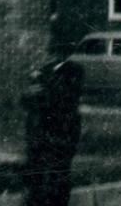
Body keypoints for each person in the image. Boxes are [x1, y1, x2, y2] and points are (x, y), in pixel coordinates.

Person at [20, 42, 85, 206]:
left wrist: (40, 91)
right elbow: (26, 100)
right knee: (36, 171)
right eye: (52, 53)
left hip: (62, 130)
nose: (54, 56)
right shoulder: (44, 71)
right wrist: (30, 93)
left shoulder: (74, 70)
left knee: (59, 172)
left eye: (58, 52)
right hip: (40, 130)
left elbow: (64, 97)